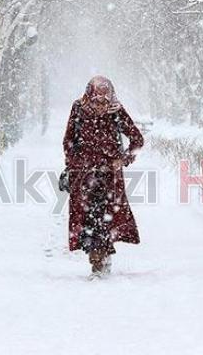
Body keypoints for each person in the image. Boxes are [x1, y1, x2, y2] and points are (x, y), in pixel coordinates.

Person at [63, 76, 144, 277]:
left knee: (105, 218)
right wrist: (74, 162)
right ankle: (97, 258)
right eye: (96, 100)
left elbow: (137, 140)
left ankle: (100, 262)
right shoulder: (78, 109)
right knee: (88, 219)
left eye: (104, 101)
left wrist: (124, 159)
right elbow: (68, 141)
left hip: (110, 177)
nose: (100, 105)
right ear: (89, 96)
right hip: (83, 176)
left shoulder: (116, 112)